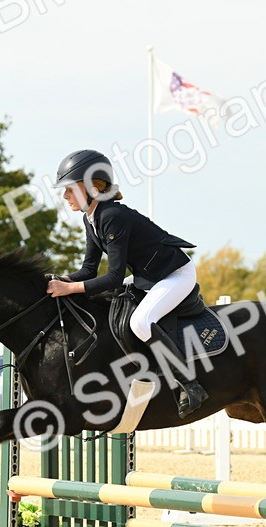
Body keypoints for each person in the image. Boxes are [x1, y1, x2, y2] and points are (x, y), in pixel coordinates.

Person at [46, 149, 205, 417]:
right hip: (149, 275)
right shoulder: (91, 217)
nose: (65, 196)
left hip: (174, 274)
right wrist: (61, 280)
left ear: (92, 188)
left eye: (70, 190)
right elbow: (88, 269)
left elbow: (114, 278)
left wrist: (69, 289)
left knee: (140, 322)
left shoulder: (112, 216)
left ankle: (190, 385)